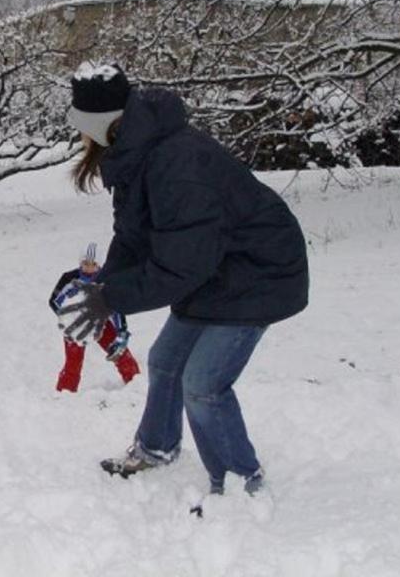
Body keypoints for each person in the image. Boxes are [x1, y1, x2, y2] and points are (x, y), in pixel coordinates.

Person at [60, 60, 309, 496]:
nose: (78, 135)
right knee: (165, 361)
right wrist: (105, 291)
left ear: (102, 124)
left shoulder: (176, 165)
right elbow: (133, 236)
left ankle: (239, 483)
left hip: (257, 271)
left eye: (81, 124)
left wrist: (113, 296)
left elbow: (181, 265)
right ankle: (156, 447)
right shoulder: (136, 150)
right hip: (218, 267)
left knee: (204, 384)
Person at [48, 242, 140, 392]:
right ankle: (65, 392)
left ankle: (135, 380)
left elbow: (117, 308)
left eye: (93, 264)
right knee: (73, 362)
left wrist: (122, 331)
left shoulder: (107, 280)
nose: (89, 268)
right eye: (85, 263)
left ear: (100, 265)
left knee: (119, 352)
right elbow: (54, 301)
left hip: (101, 323)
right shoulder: (70, 280)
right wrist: (69, 317)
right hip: (75, 327)